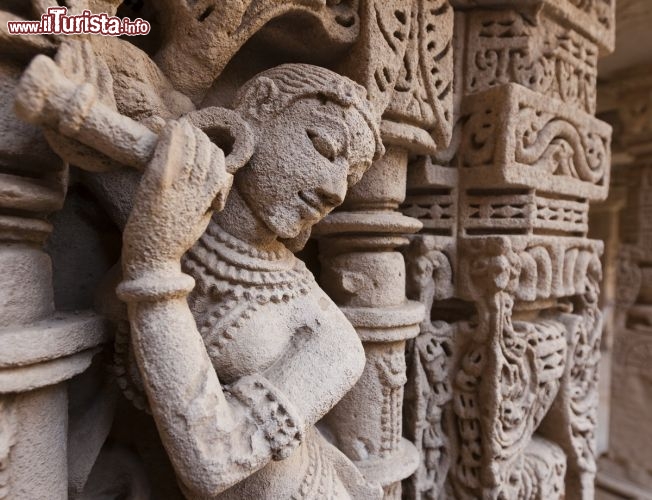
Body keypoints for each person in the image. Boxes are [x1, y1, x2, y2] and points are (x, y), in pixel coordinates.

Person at [116, 64, 385, 499]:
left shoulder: (330, 340)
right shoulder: (172, 205)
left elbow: (214, 461)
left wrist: (156, 265)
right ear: (260, 105)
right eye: (324, 145)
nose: (337, 190)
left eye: (351, 179)